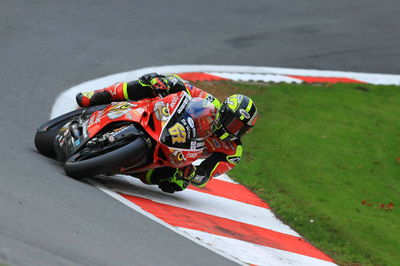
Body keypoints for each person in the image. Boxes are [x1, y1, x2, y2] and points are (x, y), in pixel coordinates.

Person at [76, 73, 258, 193]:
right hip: (165, 120)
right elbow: (184, 86)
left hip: (179, 153)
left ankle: (127, 168)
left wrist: (192, 173)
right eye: (233, 124)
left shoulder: (232, 151)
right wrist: (165, 82)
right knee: (148, 82)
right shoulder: (209, 102)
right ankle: (97, 95)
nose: (235, 131)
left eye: (241, 129)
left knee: (176, 182)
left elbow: (205, 175)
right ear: (224, 112)